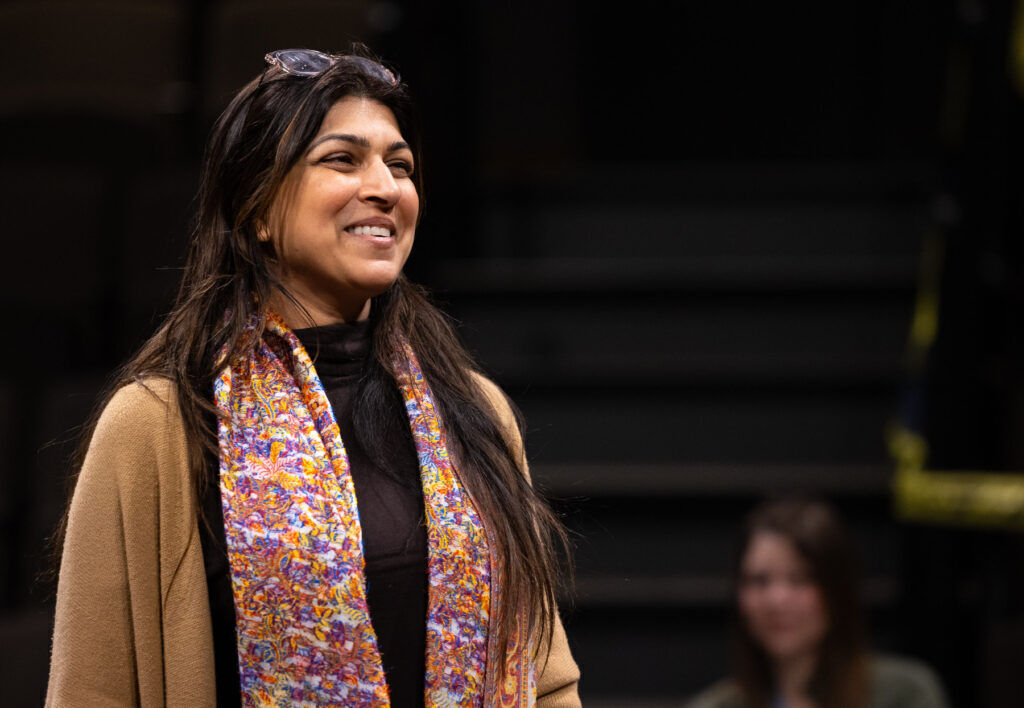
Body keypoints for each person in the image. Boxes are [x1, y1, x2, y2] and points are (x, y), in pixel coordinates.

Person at [46, 46, 580, 707]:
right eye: (342, 159)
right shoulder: (159, 427)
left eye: (400, 164)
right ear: (258, 209)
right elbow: (91, 692)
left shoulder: (474, 411)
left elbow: (546, 678)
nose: (384, 187)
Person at [685, 498, 948, 708]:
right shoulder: (715, 705)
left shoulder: (904, 694)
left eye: (799, 579)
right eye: (759, 581)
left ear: (836, 589)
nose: (777, 600)